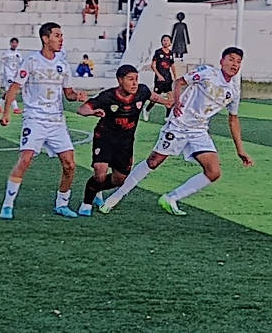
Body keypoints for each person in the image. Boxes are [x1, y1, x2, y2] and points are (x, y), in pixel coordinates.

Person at [99, 47, 255, 215]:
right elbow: (179, 82)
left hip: (199, 130)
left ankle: (171, 198)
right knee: (153, 162)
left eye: (238, 62)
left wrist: (240, 150)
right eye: (231, 59)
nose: (234, 64)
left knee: (213, 172)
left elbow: (233, 119)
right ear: (222, 61)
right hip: (179, 124)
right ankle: (115, 197)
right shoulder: (207, 72)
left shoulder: (233, 91)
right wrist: (177, 101)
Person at [0, 23, 89, 220]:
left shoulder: (63, 64)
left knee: (70, 164)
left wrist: (77, 95)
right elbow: (14, 88)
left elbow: (68, 93)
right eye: (57, 35)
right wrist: (6, 113)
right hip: (35, 119)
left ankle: (62, 204)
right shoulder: (31, 60)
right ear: (45, 39)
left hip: (56, 121)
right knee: (25, 159)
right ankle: (7, 204)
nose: (61, 39)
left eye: (61, 35)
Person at [76, 64, 173, 216]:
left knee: (119, 179)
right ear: (120, 80)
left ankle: (96, 189)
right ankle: (86, 203)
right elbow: (82, 109)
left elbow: (152, 96)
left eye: (136, 79)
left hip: (125, 143)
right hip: (105, 138)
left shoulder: (142, 91)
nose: (134, 83)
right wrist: (93, 112)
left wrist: (167, 102)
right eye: (130, 79)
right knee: (100, 173)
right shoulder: (108, 96)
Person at [143, 35, 177, 122]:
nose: (166, 42)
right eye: (164, 40)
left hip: (168, 78)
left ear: (170, 42)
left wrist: (175, 76)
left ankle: (167, 116)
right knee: (155, 98)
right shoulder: (158, 52)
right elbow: (153, 65)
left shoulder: (171, 53)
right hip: (159, 79)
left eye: (167, 40)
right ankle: (146, 110)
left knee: (170, 98)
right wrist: (159, 75)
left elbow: (172, 65)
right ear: (162, 42)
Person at [0, 38, 23, 115]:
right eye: (13, 43)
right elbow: (1, 64)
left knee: (9, 91)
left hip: (15, 75)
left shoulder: (18, 54)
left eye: (16, 43)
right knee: (11, 91)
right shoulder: (6, 53)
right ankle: (15, 108)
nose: (14, 44)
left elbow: (21, 65)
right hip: (8, 75)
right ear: (10, 43)